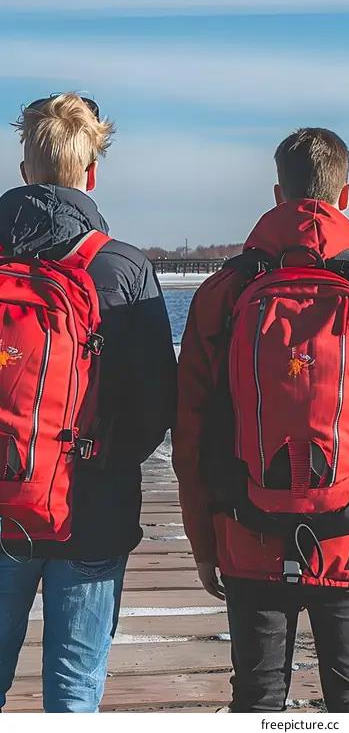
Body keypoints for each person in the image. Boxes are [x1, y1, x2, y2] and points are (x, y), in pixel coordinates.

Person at [174, 127, 349, 713]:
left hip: (246, 530)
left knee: (257, 699)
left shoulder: (223, 291)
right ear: (344, 195)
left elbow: (188, 431)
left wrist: (203, 539)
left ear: (278, 194)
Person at [0, 93, 177, 713]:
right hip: (90, 508)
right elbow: (156, 403)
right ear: (91, 172)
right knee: (74, 690)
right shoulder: (122, 268)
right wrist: (99, 458)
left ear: (24, 169)